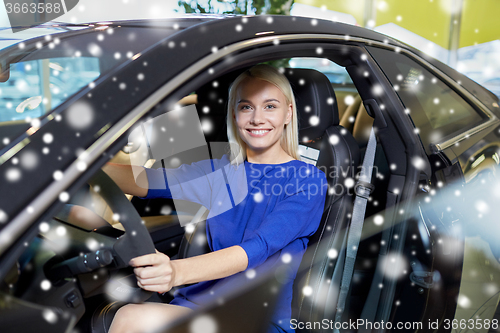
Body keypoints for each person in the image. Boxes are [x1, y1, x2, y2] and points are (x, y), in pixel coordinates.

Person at [104, 64, 328, 333]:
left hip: (253, 317)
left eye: (270, 106)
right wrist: (77, 166)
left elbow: (256, 249)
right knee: (123, 313)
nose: (257, 118)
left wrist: (174, 272)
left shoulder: (308, 179)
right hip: (199, 304)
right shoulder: (221, 171)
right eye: (246, 107)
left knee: (131, 318)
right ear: (234, 114)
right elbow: (147, 180)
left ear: (288, 113)